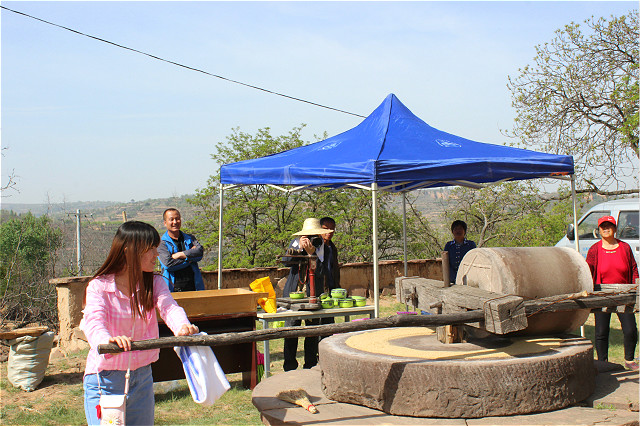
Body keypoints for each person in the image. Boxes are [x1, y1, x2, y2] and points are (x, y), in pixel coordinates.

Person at [80, 221, 199, 425]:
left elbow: (169, 308)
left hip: (142, 377)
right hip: (105, 380)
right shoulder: (99, 286)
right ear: (129, 251)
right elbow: (94, 320)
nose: (156, 254)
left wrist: (183, 326)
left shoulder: (155, 283)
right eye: (150, 249)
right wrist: (107, 340)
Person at [281, 217, 339, 371]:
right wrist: (300, 248)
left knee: (312, 330)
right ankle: (289, 366)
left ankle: (310, 364)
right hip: (295, 293)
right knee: (291, 329)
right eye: (309, 235)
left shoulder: (324, 249)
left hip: (314, 293)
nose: (312, 238)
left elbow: (321, 272)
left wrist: (312, 254)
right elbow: (285, 261)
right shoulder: (296, 242)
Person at [586, 215, 639, 370]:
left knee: (630, 330)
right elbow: (588, 270)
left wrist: (635, 288)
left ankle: (629, 360)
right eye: (603, 226)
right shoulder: (594, 249)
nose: (606, 229)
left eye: (609, 226)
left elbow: (634, 269)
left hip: (624, 294)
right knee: (601, 331)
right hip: (602, 295)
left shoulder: (625, 247)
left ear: (615, 229)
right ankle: (603, 363)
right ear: (599, 230)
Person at [157, 208, 205, 292]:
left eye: (177, 219)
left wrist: (181, 254)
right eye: (171, 219)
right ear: (165, 223)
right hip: (173, 290)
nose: (175, 222)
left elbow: (200, 252)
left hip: (194, 287)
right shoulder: (161, 243)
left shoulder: (190, 238)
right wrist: (189, 259)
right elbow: (168, 265)